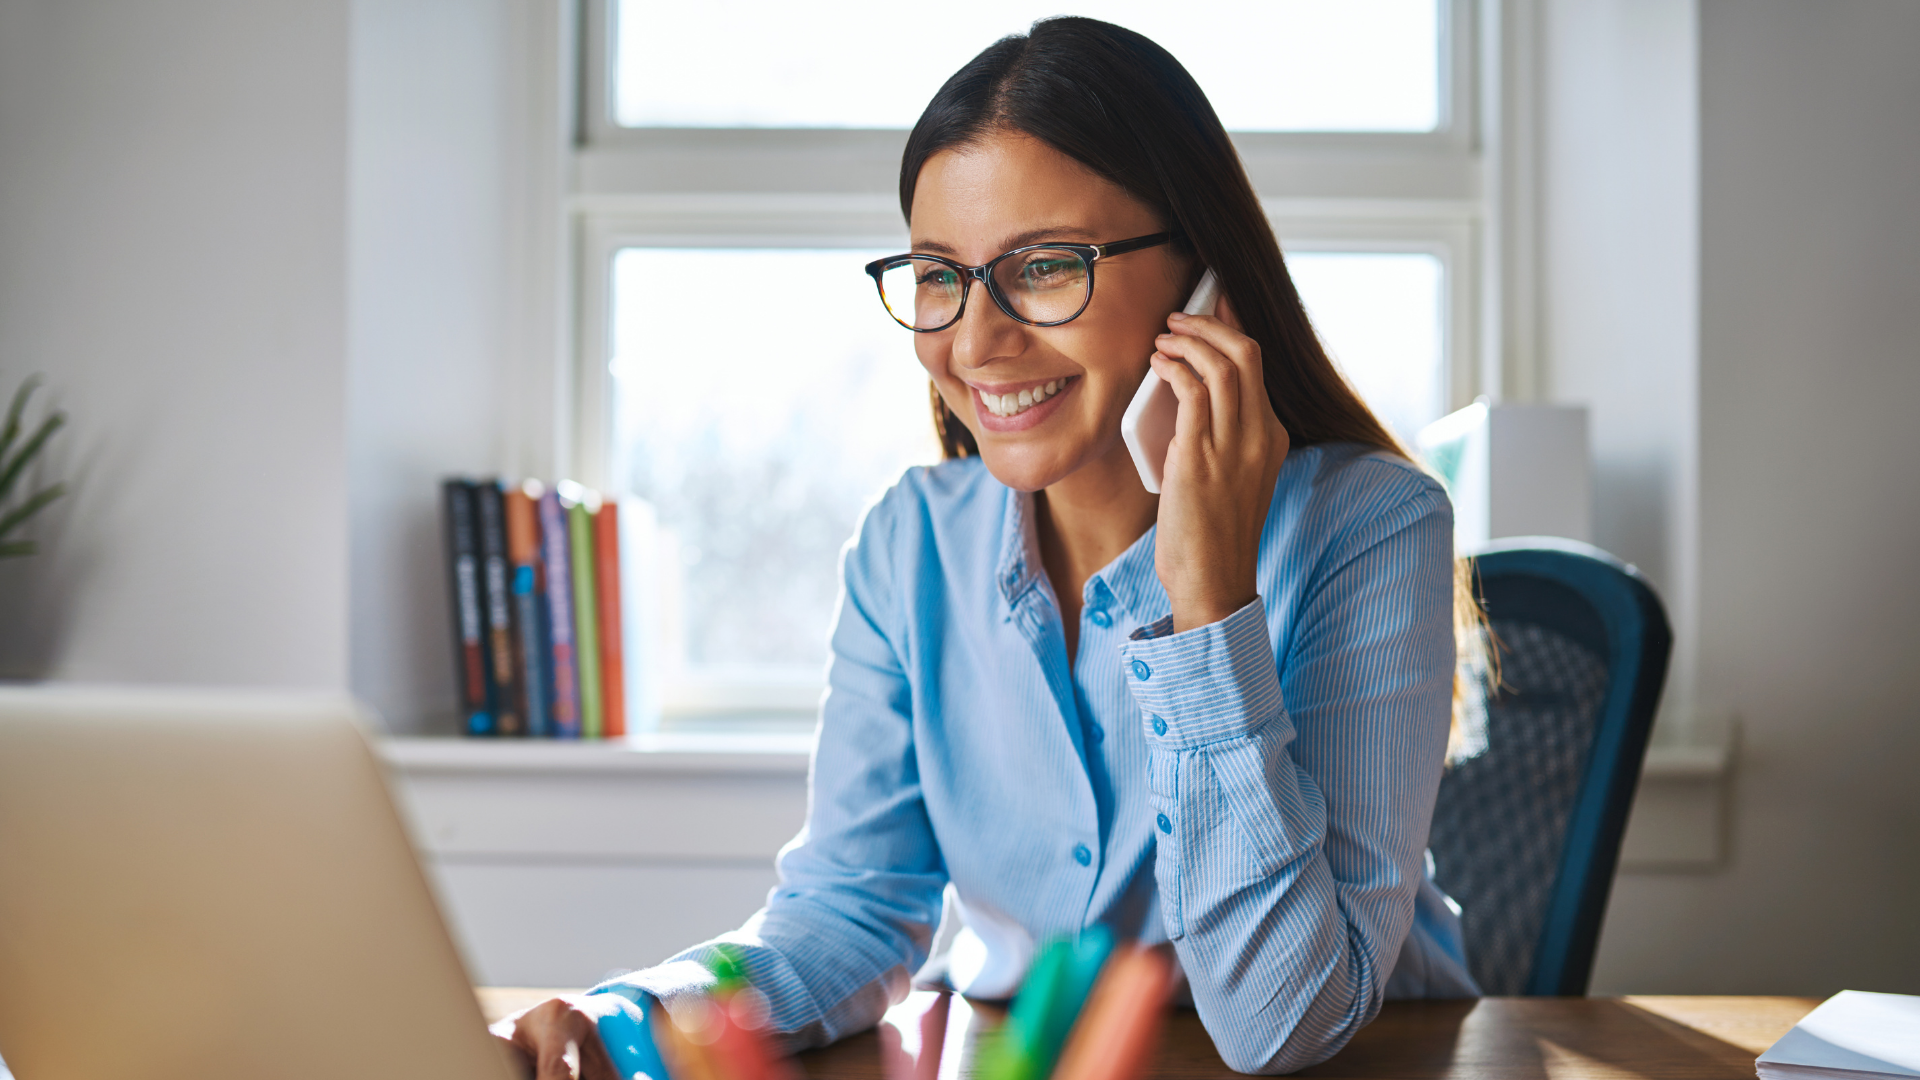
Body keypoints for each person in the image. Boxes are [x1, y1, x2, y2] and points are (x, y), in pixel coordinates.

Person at [495, 16, 1478, 1079]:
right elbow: (850, 914)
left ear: (1205, 279)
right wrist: (634, 1012)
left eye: (1045, 267)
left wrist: (1209, 604)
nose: (973, 341)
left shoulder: (1369, 527)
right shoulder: (911, 544)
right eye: (937, 274)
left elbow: (1280, 1022)